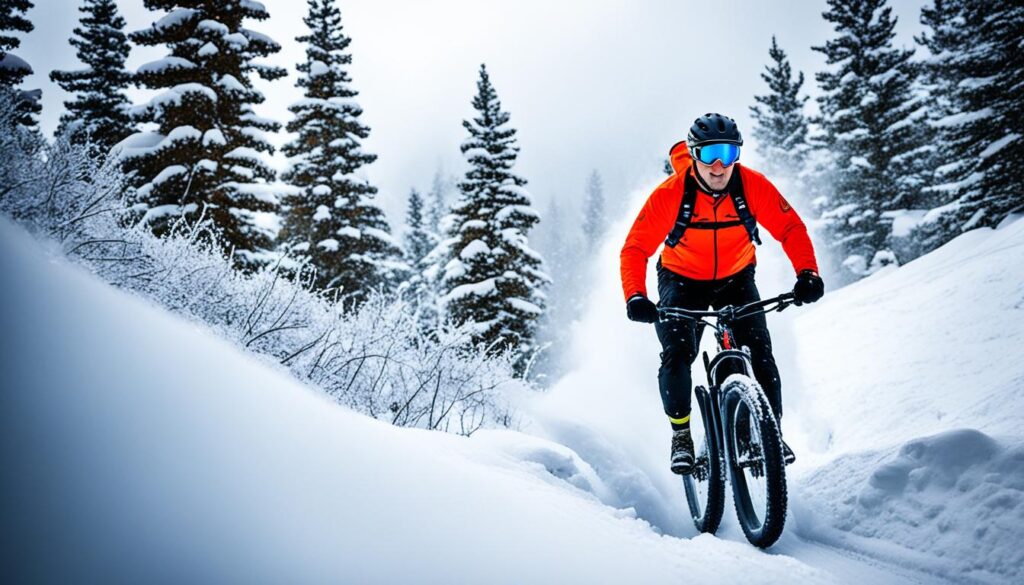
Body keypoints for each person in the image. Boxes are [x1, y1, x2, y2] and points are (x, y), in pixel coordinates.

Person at [620, 113, 824, 475]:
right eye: (711, 154)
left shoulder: (752, 186)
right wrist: (636, 295)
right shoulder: (671, 195)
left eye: (729, 154)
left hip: (736, 276)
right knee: (678, 352)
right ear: (694, 155)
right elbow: (635, 248)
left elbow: (790, 227)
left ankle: (771, 433)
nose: (719, 165)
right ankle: (681, 435)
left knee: (760, 350)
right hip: (681, 279)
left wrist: (807, 272)